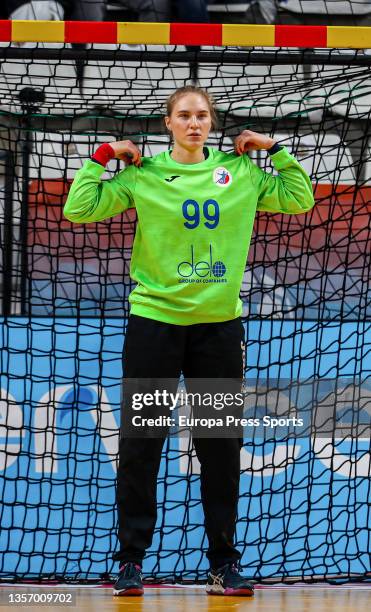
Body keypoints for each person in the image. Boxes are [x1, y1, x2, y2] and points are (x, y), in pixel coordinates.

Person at [63, 85, 315, 596]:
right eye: (184, 115)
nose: (194, 122)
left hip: (218, 328)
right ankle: (130, 562)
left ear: (212, 122)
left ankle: (223, 563)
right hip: (154, 324)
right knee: (142, 445)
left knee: (219, 447)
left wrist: (273, 149)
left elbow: (300, 197)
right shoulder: (146, 174)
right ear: (168, 123)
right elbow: (80, 208)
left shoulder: (241, 172)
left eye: (202, 115)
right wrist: (105, 155)